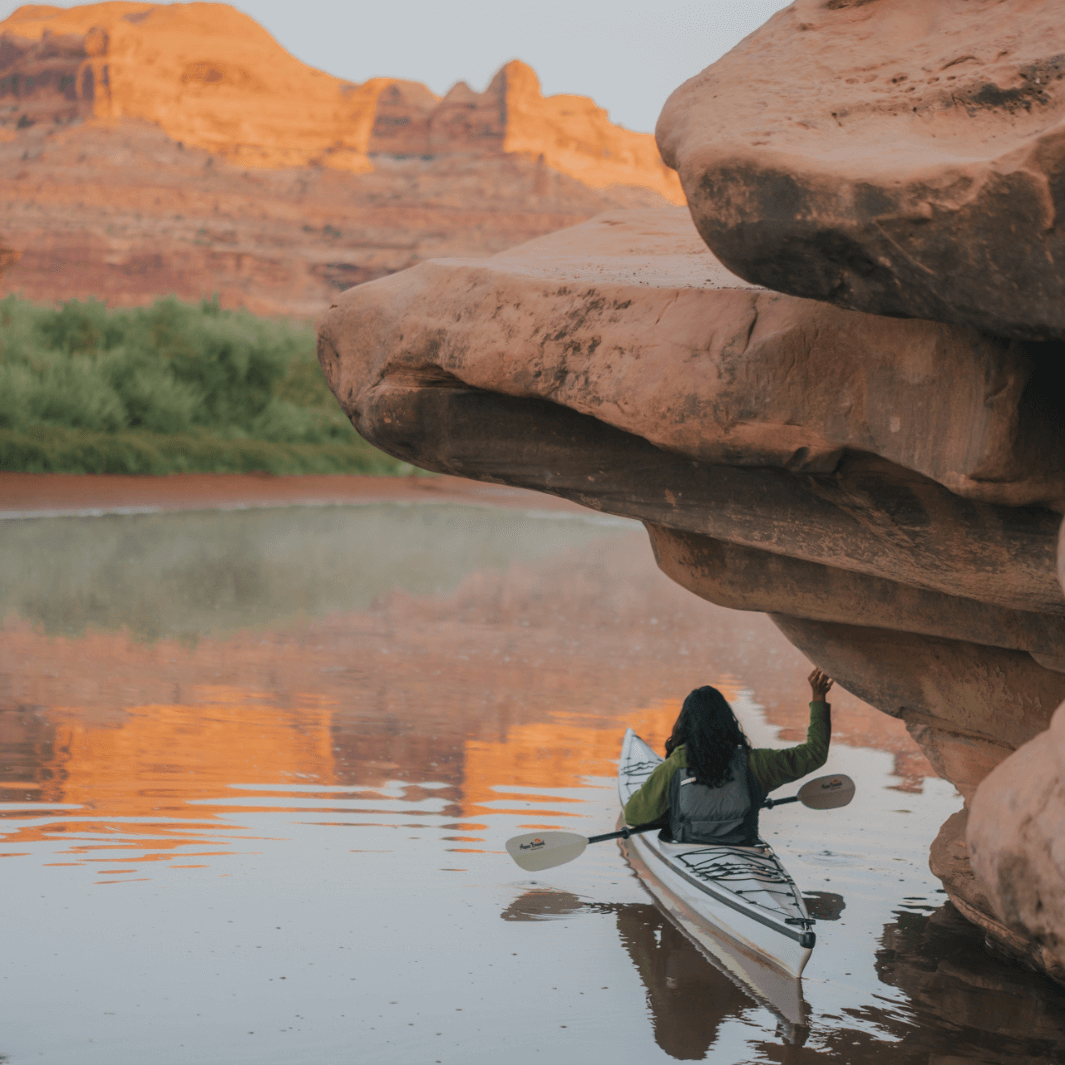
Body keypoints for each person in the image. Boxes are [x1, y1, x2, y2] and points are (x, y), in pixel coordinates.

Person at [623, 669, 834, 846]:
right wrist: (818, 697)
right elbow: (815, 753)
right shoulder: (757, 764)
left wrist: (668, 814)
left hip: (686, 849)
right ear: (729, 723)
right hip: (745, 849)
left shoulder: (674, 766)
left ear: (685, 726)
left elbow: (633, 816)